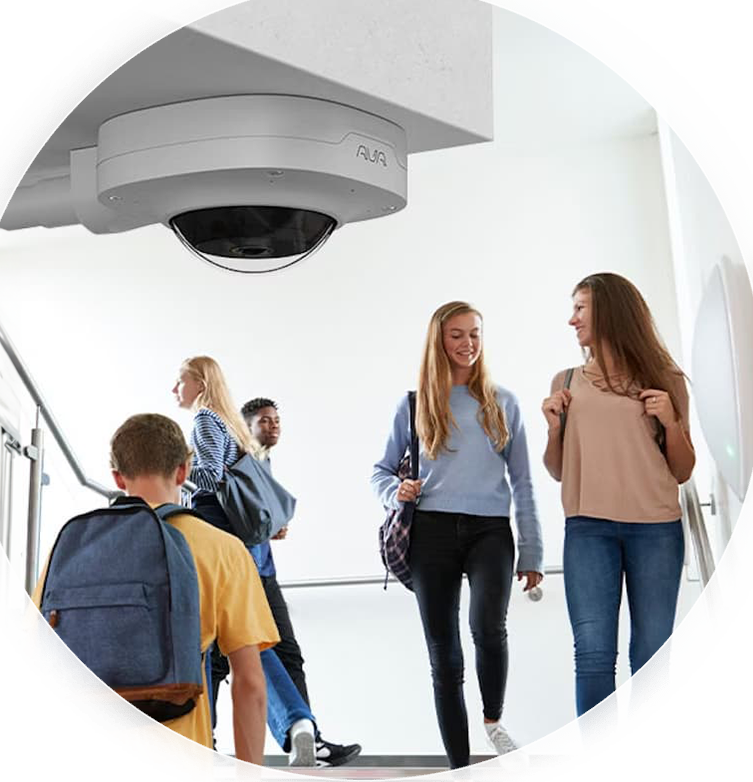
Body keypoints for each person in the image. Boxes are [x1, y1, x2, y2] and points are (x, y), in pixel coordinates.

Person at [6, 413, 278, 782]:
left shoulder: (72, 545)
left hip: (73, 764)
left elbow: (28, 671)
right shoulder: (224, 550)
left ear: (117, 477)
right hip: (172, 766)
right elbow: (250, 683)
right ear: (184, 470)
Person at [371, 301, 544, 781]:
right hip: (431, 532)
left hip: (490, 529)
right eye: (457, 335)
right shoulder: (413, 404)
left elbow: (524, 482)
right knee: (443, 656)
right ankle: (461, 771)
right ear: (438, 341)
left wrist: (532, 550)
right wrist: (395, 489)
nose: (468, 344)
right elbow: (379, 471)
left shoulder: (502, 401)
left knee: (489, 627)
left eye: (475, 334)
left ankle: (493, 721)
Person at [541, 273, 695, 782]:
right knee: (593, 655)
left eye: (580, 307)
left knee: (651, 661)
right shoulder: (565, 382)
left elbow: (682, 469)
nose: (572, 319)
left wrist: (671, 421)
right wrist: (554, 427)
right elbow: (558, 468)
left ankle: (641, 774)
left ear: (608, 311)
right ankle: (599, 774)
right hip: (588, 529)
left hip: (655, 529)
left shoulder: (665, 379)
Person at [173, 356, 354, 767]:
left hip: (211, 538)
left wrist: (177, 472)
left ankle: (212, 739)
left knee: (219, 644)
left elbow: (212, 479)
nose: (175, 390)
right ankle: (300, 727)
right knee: (247, 642)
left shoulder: (204, 420)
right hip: (240, 549)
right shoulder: (230, 423)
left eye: (179, 381)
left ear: (199, 383)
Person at [240, 396, 362, 768]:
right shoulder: (238, 459)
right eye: (265, 420)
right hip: (241, 571)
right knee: (230, 658)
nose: (274, 425)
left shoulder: (263, 462)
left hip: (264, 571)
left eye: (277, 420)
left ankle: (310, 740)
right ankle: (210, 742)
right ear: (246, 426)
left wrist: (271, 525)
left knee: (287, 652)